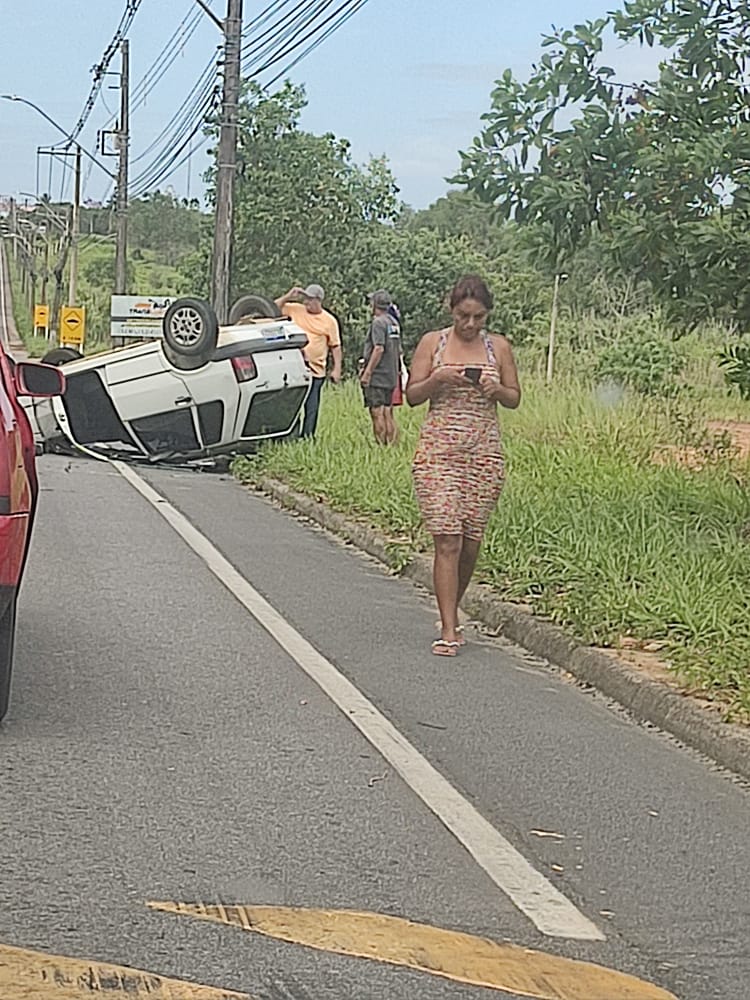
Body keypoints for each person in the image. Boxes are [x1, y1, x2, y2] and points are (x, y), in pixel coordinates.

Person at [406, 275, 521, 657]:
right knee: (447, 538)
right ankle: (449, 628)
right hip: (439, 452)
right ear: (451, 310)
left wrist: (496, 390)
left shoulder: (499, 347)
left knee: (470, 541)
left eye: (478, 317)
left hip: (483, 452)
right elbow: (411, 395)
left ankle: (452, 607)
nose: (470, 325)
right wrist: (438, 378)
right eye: (463, 316)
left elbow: (514, 397)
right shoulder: (432, 344)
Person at [275, 284, 342, 437]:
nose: (306, 303)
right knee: (292, 404)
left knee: (311, 407)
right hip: (295, 368)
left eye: (310, 300)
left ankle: (308, 436)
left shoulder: (329, 321)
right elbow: (272, 308)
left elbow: (336, 346)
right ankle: (290, 435)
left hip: (315, 371)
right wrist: (288, 295)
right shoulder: (295, 309)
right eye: (305, 299)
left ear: (318, 301)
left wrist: (337, 369)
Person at [359, 289, 401, 444]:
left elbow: (378, 348)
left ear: (375, 304)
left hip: (378, 374)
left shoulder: (378, 323)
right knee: (388, 411)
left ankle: (381, 446)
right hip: (391, 374)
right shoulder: (393, 322)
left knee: (376, 412)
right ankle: (392, 445)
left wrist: (368, 372)